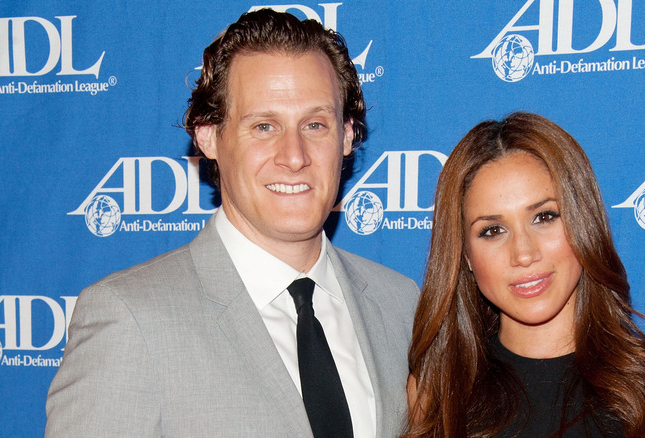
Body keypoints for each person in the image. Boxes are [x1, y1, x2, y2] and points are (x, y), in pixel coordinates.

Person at [46, 9, 419, 438]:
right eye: (264, 126)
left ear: (348, 135)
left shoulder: (399, 304)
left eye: (315, 124)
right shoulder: (131, 320)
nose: (294, 156)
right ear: (208, 137)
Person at [404, 112, 645, 437]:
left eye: (545, 217)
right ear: (466, 256)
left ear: (583, 222)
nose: (524, 253)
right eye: (492, 230)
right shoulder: (437, 392)